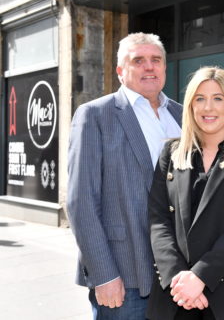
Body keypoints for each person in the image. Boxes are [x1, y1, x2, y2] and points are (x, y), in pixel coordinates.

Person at [67, 33, 182, 320]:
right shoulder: (95, 115)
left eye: (156, 60)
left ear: (165, 68)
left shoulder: (181, 115)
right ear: (120, 71)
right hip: (125, 275)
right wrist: (104, 275)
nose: (149, 67)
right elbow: (81, 202)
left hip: (179, 274)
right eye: (138, 60)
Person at [147, 67, 224, 320]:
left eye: (218, 98)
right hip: (176, 295)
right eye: (200, 99)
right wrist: (179, 280)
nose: (208, 107)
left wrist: (201, 275)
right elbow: (158, 219)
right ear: (190, 106)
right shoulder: (171, 153)